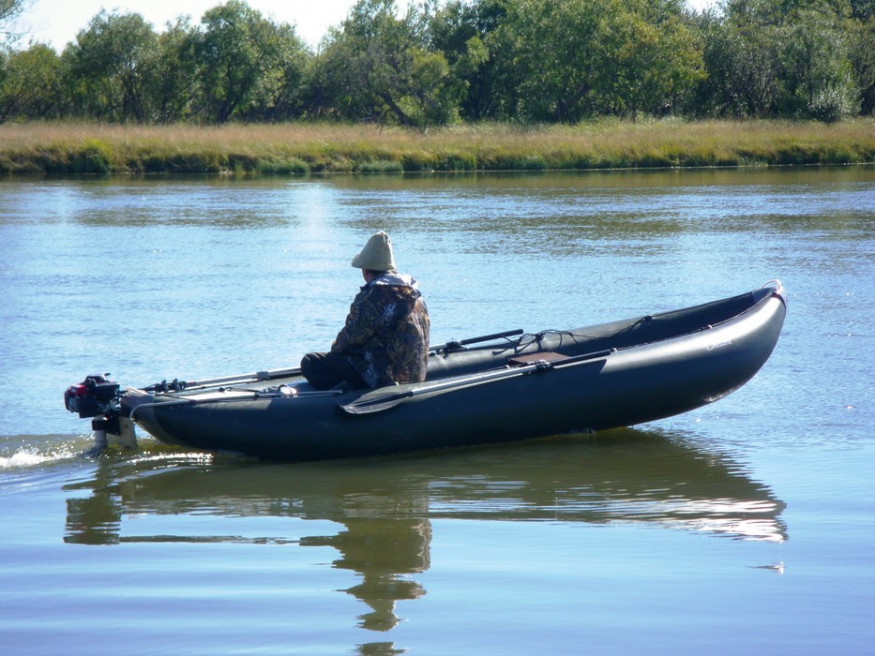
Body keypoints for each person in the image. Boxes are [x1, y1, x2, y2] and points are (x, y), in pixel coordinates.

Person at [301, 231, 430, 391]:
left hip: (382, 379)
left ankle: (347, 395)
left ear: (366, 271)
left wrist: (334, 354)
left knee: (310, 362)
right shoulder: (416, 296)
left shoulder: (373, 296)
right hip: (415, 376)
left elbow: (349, 338)